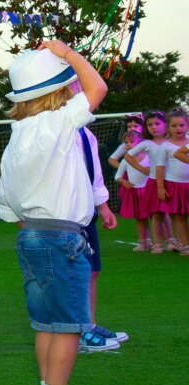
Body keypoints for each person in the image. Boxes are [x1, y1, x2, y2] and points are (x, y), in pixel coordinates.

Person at [0, 41, 109, 385]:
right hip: (62, 237)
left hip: (30, 236)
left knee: (46, 323)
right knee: (68, 326)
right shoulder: (59, 122)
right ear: (59, 91)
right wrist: (67, 53)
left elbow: (7, 204)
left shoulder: (16, 135)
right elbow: (97, 88)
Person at [76, 118, 124, 352]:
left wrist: (102, 206)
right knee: (75, 273)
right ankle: (76, 331)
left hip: (87, 211)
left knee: (92, 270)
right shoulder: (55, 129)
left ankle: (89, 324)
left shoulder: (85, 132)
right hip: (67, 212)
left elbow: (93, 171)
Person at [130, 111, 173, 252]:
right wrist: (142, 169)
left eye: (157, 123)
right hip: (155, 182)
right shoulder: (147, 143)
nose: (154, 127)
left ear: (165, 124)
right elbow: (128, 156)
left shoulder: (171, 141)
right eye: (150, 125)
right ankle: (157, 244)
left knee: (176, 213)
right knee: (157, 213)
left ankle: (175, 241)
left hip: (173, 181)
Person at [115, 130, 152, 251]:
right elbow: (117, 175)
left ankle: (161, 242)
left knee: (155, 217)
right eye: (126, 142)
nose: (128, 144)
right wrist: (123, 181)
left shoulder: (148, 157)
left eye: (131, 142)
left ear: (140, 143)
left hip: (149, 191)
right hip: (135, 192)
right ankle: (143, 242)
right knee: (140, 218)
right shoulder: (125, 160)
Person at [160, 108, 189, 254]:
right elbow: (160, 168)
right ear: (168, 127)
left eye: (181, 125)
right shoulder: (165, 146)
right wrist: (160, 187)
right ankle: (186, 245)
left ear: (187, 125)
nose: (178, 128)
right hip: (174, 185)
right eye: (174, 125)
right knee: (179, 216)